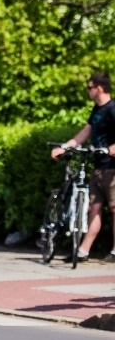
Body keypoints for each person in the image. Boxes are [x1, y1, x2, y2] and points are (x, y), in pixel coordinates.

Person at [51, 72, 115, 262]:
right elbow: (85, 133)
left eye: (90, 88)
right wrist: (64, 147)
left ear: (99, 88)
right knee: (93, 209)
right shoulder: (97, 109)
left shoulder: (113, 109)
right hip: (98, 167)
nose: (88, 91)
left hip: (113, 168)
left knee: (114, 210)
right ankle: (83, 251)